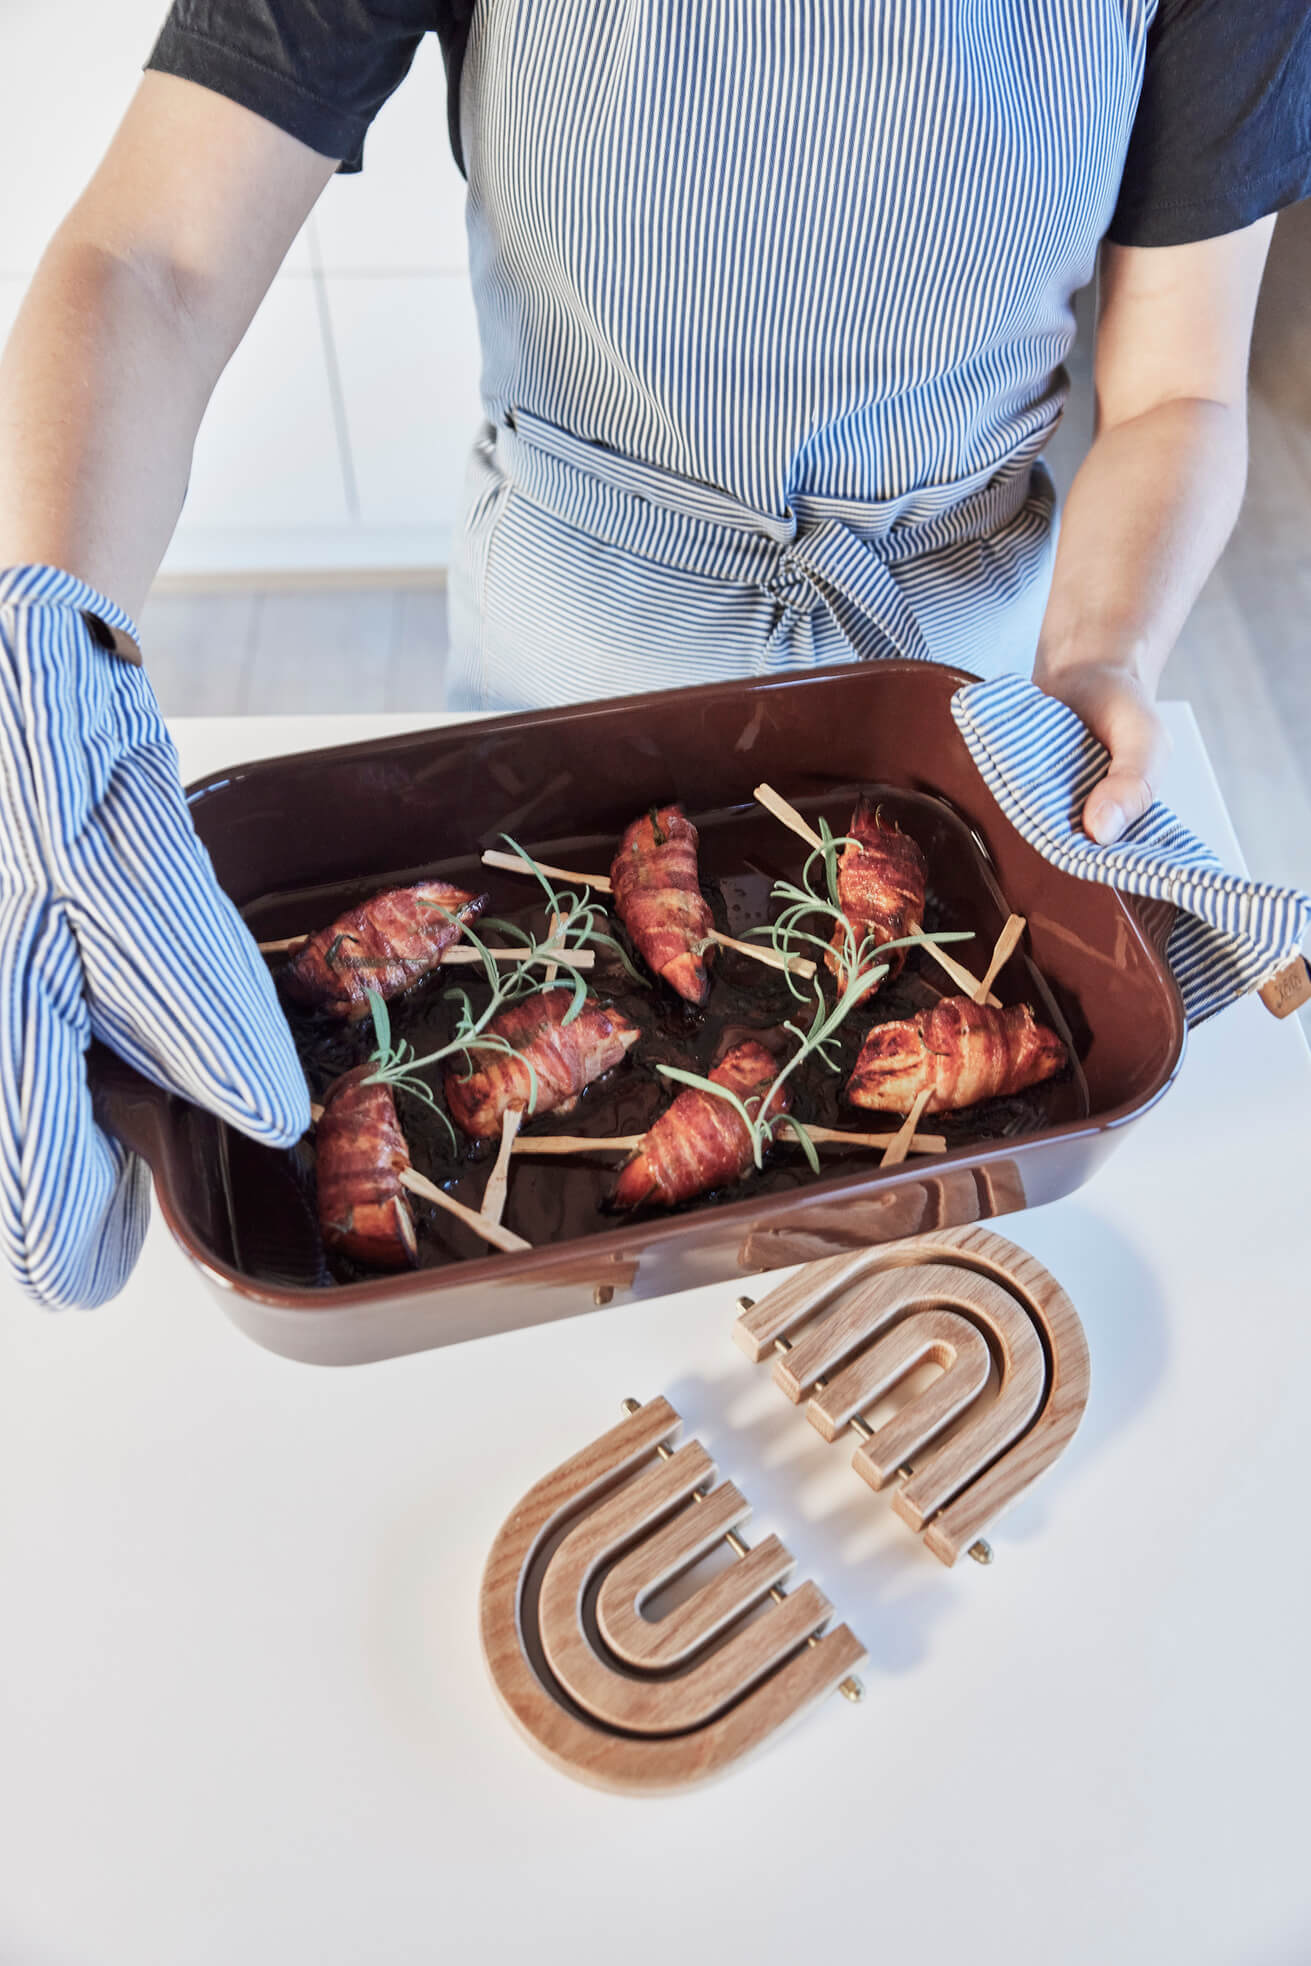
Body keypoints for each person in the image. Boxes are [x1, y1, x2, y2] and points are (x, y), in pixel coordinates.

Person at [1, 0, 1308, 1308]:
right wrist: (41, 655)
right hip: (552, 684)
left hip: (945, 714)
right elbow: (151, 257)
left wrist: (1103, 652)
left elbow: (1179, 390)